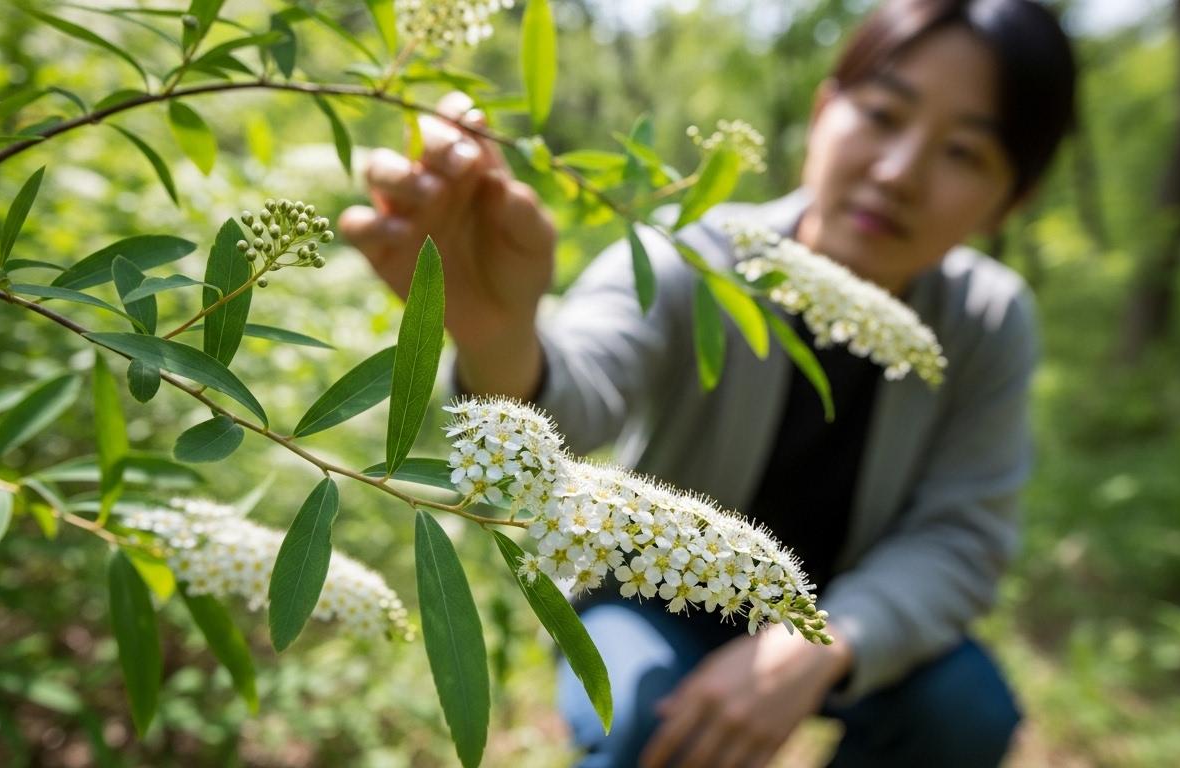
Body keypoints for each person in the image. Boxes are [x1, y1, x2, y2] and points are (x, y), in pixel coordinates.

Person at [339, 0, 1077, 764]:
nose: (899, 173)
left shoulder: (987, 323)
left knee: (965, 711)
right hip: (654, 596)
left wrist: (821, 643)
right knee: (644, 716)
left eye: (964, 152)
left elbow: (962, 536)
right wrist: (496, 333)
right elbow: (579, 395)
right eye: (884, 114)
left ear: (1012, 199)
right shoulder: (693, 257)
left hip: (855, 617)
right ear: (823, 111)